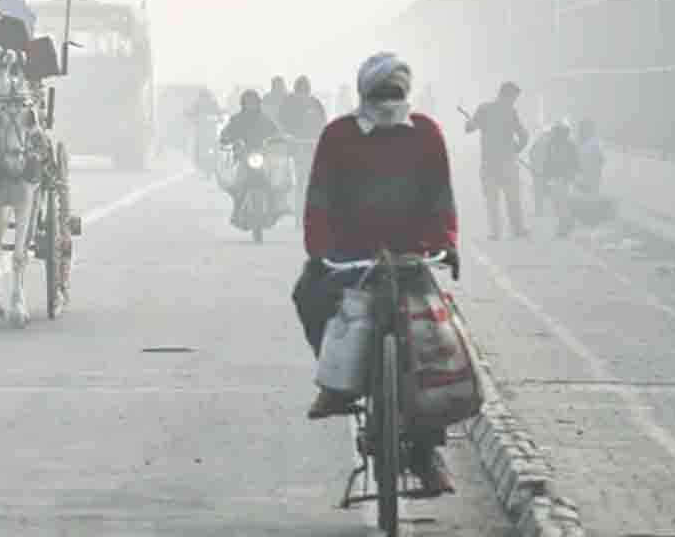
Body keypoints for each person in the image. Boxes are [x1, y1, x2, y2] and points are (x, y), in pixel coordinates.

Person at [292, 52, 459, 496]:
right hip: (353, 257)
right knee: (307, 296)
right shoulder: (338, 136)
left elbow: (441, 198)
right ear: (364, 94)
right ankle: (337, 384)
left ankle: (426, 454)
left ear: (408, 94)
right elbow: (319, 201)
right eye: (381, 93)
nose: (389, 101)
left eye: (396, 93)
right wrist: (319, 253)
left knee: (435, 343)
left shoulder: (427, 135)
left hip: (410, 258)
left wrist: (447, 244)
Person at [465, 81, 529, 240]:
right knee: (512, 198)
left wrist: (473, 122)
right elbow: (524, 136)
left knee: (492, 200)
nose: (514, 101)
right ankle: (517, 229)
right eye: (514, 98)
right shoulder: (510, 111)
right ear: (507, 95)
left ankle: (496, 232)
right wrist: (516, 149)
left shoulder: (484, 109)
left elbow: (468, 128)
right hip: (506, 162)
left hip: (490, 162)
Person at [219, 89, 283, 225]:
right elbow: (226, 132)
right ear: (243, 103)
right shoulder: (237, 119)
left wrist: (279, 138)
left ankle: (274, 210)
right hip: (243, 157)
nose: (251, 105)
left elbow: (276, 131)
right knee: (238, 186)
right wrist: (225, 138)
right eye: (248, 102)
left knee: (272, 184)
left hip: (262, 156)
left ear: (258, 103)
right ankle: (237, 211)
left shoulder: (264, 119)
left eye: (253, 102)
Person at [540, 122, 581, 237]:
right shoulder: (553, 145)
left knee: (562, 204)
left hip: (564, 179)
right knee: (558, 204)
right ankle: (565, 224)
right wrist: (545, 176)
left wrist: (572, 175)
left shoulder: (568, 146)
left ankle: (564, 226)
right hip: (556, 179)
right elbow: (547, 163)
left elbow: (575, 163)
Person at [575, 118, 604, 195]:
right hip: (581, 180)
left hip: (590, 181)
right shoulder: (580, 143)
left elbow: (600, 160)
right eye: (580, 128)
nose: (579, 131)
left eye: (582, 129)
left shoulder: (595, 144)